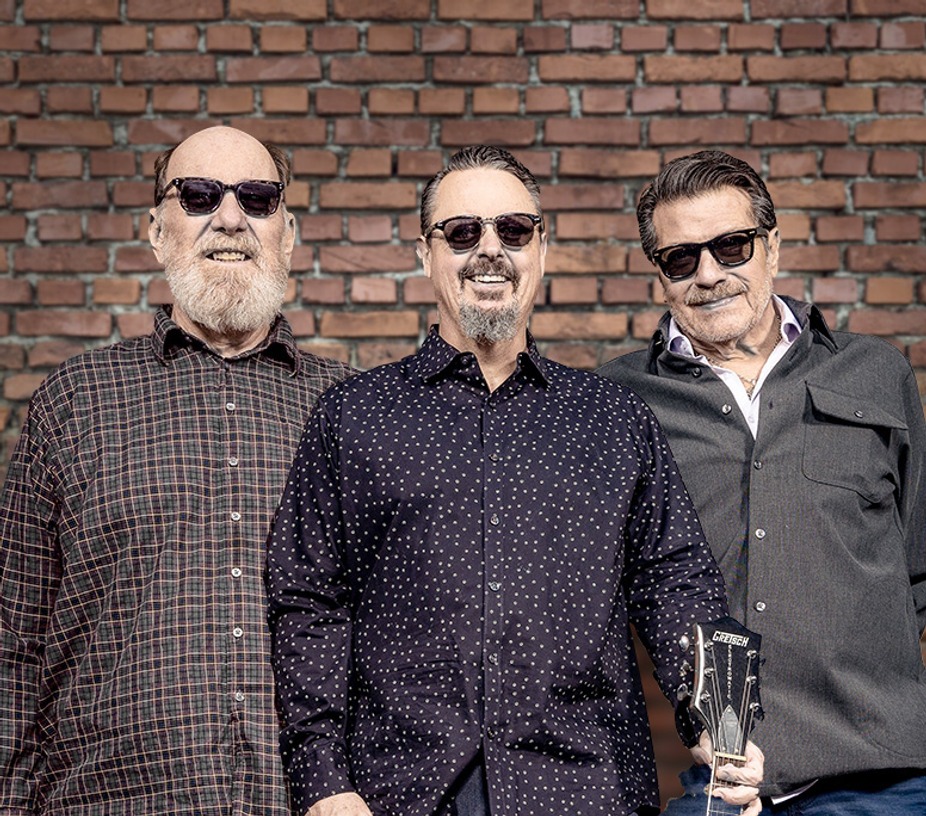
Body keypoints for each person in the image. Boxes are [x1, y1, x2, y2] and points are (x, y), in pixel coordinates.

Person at [265, 145, 763, 816]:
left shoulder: (614, 419)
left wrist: (724, 728)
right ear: (424, 254)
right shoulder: (354, 417)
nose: (490, 249)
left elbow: (681, 585)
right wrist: (323, 783)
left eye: (514, 229)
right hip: (403, 792)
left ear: (542, 248)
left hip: (588, 790)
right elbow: (310, 604)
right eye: (461, 232)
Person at [0, 126, 353, 815]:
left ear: (287, 233)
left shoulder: (351, 409)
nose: (230, 218)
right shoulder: (73, 402)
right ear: (156, 231)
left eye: (258, 198)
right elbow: (13, 647)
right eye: (198, 195)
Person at [598, 149, 926, 814]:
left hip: (880, 779)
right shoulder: (617, 402)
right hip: (722, 779)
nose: (708, 274)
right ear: (660, 274)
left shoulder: (875, 373)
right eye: (681, 258)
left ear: (771, 247)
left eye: (732, 246)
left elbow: (916, 572)